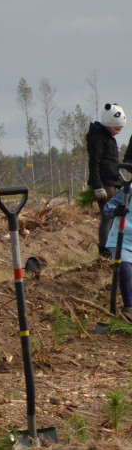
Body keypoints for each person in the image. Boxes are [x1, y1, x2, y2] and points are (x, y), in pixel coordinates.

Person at [88, 103, 127, 257]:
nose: (118, 132)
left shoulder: (108, 138)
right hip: (104, 185)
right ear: (108, 124)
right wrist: (98, 186)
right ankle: (105, 250)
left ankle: (113, 248)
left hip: (113, 182)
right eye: (117, 128)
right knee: (107, 216)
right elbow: (94, 162)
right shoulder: (98, 138)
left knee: (115, 216)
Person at [103, 189, 132, 319]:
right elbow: (108, 206)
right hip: (122, 239)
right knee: (125, 269)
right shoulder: (129, 189)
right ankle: (129, 307)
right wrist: (116, 211)